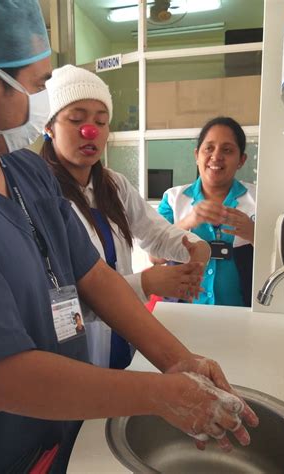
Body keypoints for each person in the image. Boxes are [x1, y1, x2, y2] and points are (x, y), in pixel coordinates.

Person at [0, 2, 258, 472]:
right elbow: (0, 380)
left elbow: (95, 275)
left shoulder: (23, 171)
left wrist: (179, 362)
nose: (45, 100)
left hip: (57, 435)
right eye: (38, 85)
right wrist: (161, 396)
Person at [41, 65, 211, 369]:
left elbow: (155, 232)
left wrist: (194, 247)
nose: (90, 130)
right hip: (76, 354)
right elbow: (58, 305)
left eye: (101, 121)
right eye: (76, 119)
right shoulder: (40, 197)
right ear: (49, 126)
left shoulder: (114, 185)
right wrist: (144, 284)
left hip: (122, 338)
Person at [155, 117, 256, 307]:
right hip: (182, 313)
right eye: (209, 148)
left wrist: (252, 233)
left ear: (241, 160)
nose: (216, 156)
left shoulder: (259, 200)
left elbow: (281, 257)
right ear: (197, 155)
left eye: (227, 150)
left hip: (241, 315)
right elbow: (154, 256)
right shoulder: (173, 199)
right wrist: (188, 222)